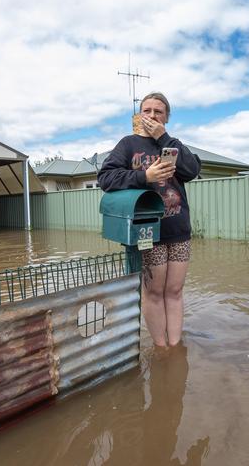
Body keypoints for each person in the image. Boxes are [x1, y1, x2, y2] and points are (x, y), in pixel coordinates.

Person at [98, 92, 201, 347]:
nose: (152, 116)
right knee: (154, 293)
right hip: (146, 232)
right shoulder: (127, 144)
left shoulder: (172, 144)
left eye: (158, 111)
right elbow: (106, 179)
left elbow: (193, 170)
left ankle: (175, 346)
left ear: (166, 117)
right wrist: (145, 176)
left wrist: (162, 138)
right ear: (138, 115)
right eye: (147, 111)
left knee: (174, 291)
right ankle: (161, 348)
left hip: (178, 229)